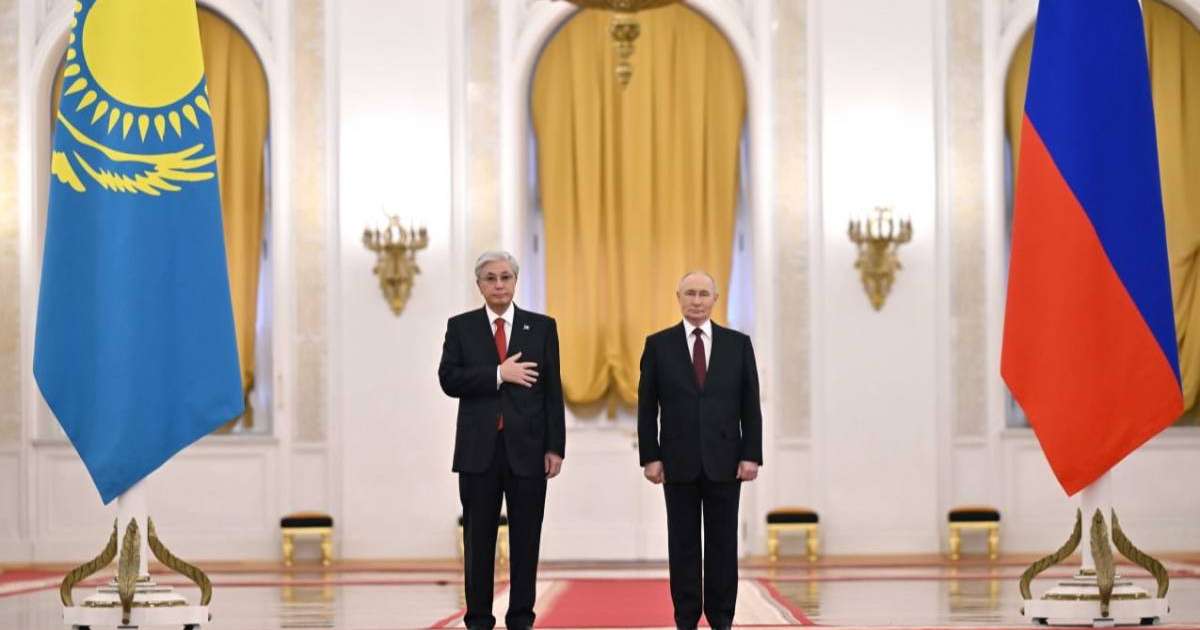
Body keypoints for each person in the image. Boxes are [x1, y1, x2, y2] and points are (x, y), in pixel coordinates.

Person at [438, 250, 565, 630]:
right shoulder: (461, 327)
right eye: (490, 278)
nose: (499, 284)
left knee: (527, 540)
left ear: (515, 281)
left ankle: (521, 618)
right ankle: (478, 619)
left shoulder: (541, 327)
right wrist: (498, 373)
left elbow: (551, 392)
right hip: (479, 453)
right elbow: (448, 379)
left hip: (528, 451)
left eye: (505, 277)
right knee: (478, 542)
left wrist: (554, 447)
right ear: (479, 285)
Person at [637, 270, 763, 630]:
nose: (696, 300)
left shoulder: (738, 344)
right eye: (689, 293)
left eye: (703, 294)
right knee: (683, 546)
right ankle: (687, 618)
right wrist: (651, 456)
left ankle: (722, 618)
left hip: (727, 462)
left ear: (715, 299)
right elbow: (647, 407)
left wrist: (751, 454)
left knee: (723, 546)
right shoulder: (658, 345)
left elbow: (750, 405)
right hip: (677, 463)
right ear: (678, 297)